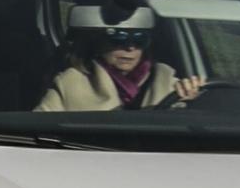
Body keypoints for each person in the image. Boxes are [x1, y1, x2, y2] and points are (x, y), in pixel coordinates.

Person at [35, 6, 206, 111]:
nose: (130, 47)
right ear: (98, 42)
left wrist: (188, 102)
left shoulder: (167, 79)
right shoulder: (70, 82)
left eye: (140, 39)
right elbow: (40, 125)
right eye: (119, 38)